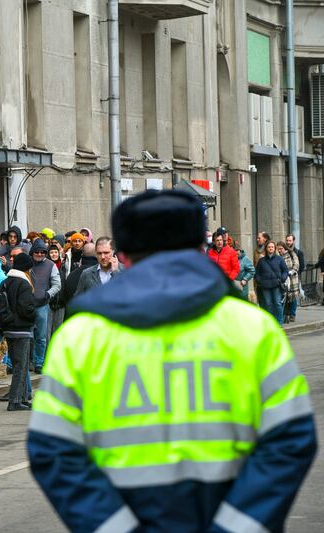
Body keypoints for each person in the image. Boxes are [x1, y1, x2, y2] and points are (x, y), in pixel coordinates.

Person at [28, 189, 316, 532]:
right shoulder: (254, 330)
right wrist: (238, 525)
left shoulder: (79, 339)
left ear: (124, 256)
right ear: (200, 250)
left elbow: (52, 450)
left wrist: (114, 526)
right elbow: (291, 438)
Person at [0, 253, 36, 411]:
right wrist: (33, 317)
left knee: (20, 363)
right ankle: (15, 400)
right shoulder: (24, 284)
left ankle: (23, 397)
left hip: (8, 329)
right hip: (22, 329)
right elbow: (26, 308)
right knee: (21, 366)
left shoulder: (6, 282)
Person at [29, 239, 61, 374]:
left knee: (41, 337)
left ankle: (39, 363)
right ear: (32, 252)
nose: (40, 254)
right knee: (27, 336)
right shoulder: (27, 264)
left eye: (43, 252)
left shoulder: (51, 265)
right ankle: (26, 362)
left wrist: (47, 295)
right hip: (27, 306)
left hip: (42, 306)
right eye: (37, 251)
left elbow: (57, 285)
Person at [255, 241, 289, 324]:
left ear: (274, 249)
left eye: (272, 247)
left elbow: (285, 271)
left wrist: (282, 279)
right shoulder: (261, 260)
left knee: (277, 303)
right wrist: (259, 280)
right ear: (266, 249)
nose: (270, 248)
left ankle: (279, 321)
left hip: (276, 285)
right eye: (269, 247)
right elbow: (257, 273)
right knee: (268, 304)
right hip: (265, 286)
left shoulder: (280, 259)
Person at [61, 242, 97, 307]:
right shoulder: (100, 274)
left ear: (82, 255)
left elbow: (66, 297)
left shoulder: (71, 275)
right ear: (97, 254)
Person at [277, 242, 300, 323]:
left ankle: (292, 314)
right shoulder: (278, 257)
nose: (279, 250)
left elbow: (296, 265)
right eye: (278, 249)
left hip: (292, 278)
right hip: (283, 279)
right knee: (285, 298)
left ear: (285, 248)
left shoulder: (291, 254)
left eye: (281, 249)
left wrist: (292, 271)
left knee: (292, 297)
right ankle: (285, 315)